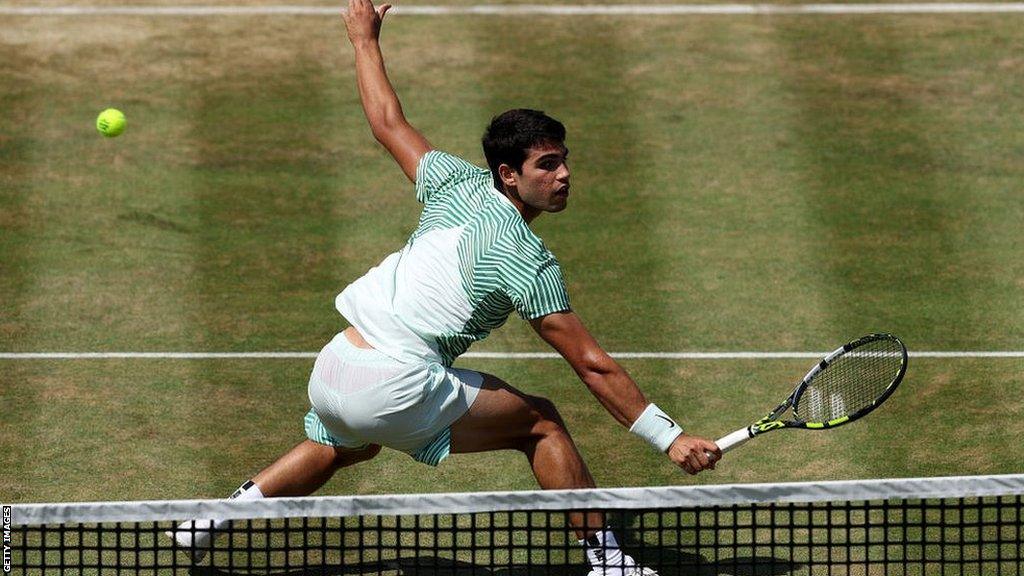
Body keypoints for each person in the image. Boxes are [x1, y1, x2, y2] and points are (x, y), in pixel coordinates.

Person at [168, 0, 722, 574]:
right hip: (394, 382)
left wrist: (364, 40)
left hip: (335, 367)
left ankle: (213, 516)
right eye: (547, 166)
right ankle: (610, 563)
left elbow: (387, 124)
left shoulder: (453, 181)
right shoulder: (525, 259)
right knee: (541, 422)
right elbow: (591, 364)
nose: (563, 176)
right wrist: (669, 438)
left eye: (564, 162)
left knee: (345, 444)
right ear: (509, 174)